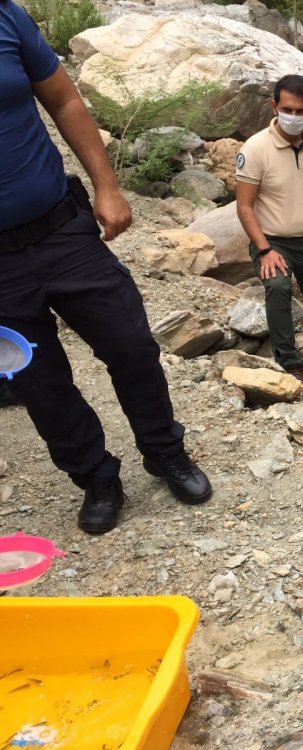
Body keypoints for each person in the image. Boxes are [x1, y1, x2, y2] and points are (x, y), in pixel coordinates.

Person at [0, 0, 211, 534]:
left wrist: (108, 185)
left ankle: (164, 450)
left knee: (131, 345)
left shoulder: (6, 16)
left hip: (61, 228)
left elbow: (64, 98)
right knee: (38, 383)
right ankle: (96, 477)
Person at [236, 74, 303, 381]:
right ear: (275, 107)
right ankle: (289, 364)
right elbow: (244, 207)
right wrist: (265, 250)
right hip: (271, 240)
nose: (293, 116)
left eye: (300, 111)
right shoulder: (255, 148)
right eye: (287, 109)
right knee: (278, 287)